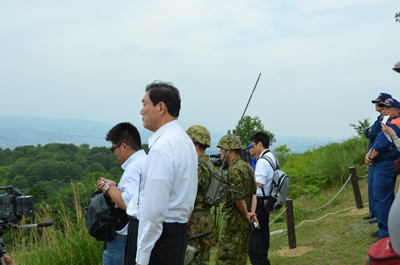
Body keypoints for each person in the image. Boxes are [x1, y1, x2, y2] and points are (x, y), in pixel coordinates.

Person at [124, 81, 198, 265]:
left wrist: (141, 257)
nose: (141, 111)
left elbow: (154, 210)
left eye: (144, 104)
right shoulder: (185, 141)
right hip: (175, 234)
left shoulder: (163, 146)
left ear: (161, 107)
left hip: (158, 240)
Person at [96, 122, 147, 265]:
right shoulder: (146, 161)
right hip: (136, 235)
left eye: (114, 149)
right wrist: (116, 186)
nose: (115, 153)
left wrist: (108, 187)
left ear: (124, 146)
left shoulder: (133, 167)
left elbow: (127, 203)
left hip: (122, 238)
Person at [215, 135, 257, 265]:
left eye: (222, 149)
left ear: (230, 150)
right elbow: (254, 194)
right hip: (244, 225)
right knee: (240, 259)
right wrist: (252, 213)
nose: (220, 152)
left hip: (232, 225)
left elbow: (239, 199)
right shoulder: (247, 168)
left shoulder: (233, 170)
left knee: (224, 259)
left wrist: (246, 215)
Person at [365, 98, 400, 242]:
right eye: (383, 107)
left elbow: (383, 144)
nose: (384, 109)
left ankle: (386, 233)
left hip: (385, 163)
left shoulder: (395, 123)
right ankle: (386, 228)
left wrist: (371, 156)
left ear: (396, 109)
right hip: (382, 162)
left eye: (388, 107)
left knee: (382, 197)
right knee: (384, 197)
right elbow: (373, 136)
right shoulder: (389, 122)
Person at [186, 125, 214, 265]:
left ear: (194, 143)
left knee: (191, 259)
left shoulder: (196, 166)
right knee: (204, 260)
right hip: (207, 220)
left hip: (194, 222)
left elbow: (189, 197)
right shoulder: (209, 163)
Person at [363, 93, 392, 226]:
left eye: (379, 103)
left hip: (380, 157)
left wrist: (371, 155)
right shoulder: (380, 118)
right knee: (372, 186)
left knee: (380, 190)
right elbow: (368, 133)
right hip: (374, 156)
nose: (376, 105)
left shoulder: (387, 119)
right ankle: (374, 212)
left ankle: (382, 218)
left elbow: (371, 133)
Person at [248, 132, 275, 265]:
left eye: (253, 144)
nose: (253, 147)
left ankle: (258, 261)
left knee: (255, 234)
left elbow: (259, 183)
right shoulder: (272, 157)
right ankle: (263, 260)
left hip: (259, 201)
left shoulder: (262, 161)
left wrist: (249, 177)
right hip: (268, 199)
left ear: (259, 144)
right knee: (263, 232)